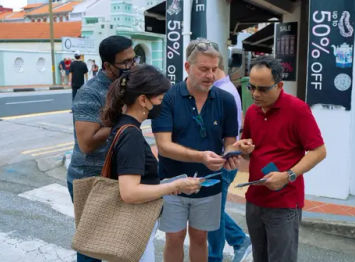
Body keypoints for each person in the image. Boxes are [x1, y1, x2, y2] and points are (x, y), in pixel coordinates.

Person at [100, 64, 202, 261]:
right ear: (143, 100)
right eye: (161, 99)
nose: (163, 105)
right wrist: (175, 185)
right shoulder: (131, 135)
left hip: (126, 227)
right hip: (132, 229)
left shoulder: (123, 127)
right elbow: (130, 192)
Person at [152, 38, 240, 262]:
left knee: (200, 237)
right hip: (172, 181)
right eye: (203, 69)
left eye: (214, 69)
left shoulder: (226, 100)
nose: (210, 75)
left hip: (209, 182)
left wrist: (232, 154)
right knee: (174, 237)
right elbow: (163, 146)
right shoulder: (167, 99)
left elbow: (230, 141)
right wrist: (201, 157)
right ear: (188, 67)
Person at [234, 56, 327, 262]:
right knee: (260, 257)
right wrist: (243, 148)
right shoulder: (252, 111)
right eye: (252, 87)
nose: (256, 94)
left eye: (263, 89)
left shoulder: (298, 110)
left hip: (284, 202)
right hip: (255, 198)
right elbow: (248, 148)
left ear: (280, 85)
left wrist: (288, 175)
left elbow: (319, 151)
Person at [67, 35, 136, 262]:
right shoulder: (90, 93)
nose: (131, 66)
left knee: (116, 241)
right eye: (125, 63)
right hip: (90, 178)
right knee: (90, 247)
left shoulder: (126, 85)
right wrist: (124, 119)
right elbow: (87, 143)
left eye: (133, 60)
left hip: (117, 176)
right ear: (107, 65)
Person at [207, 55, 251, 262]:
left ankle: (222, 252)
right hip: (220, 160)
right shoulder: (224, 88)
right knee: (210, 209)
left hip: (222, 162)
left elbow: (225, 136)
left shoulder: (222, 92)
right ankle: (238, 239)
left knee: (211, 211)